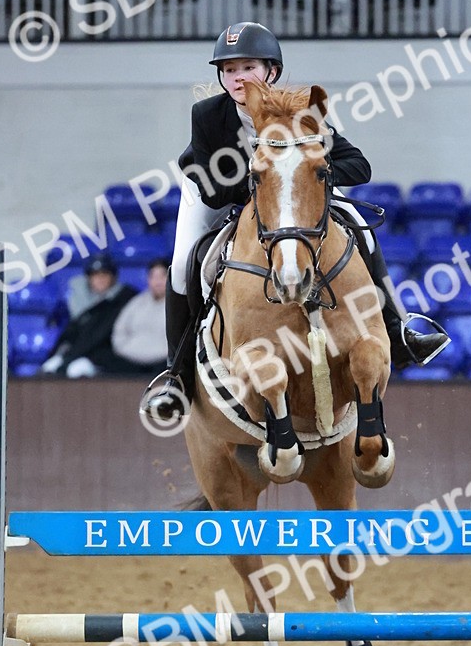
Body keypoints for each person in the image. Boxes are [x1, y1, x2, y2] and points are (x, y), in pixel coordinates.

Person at [142, 21, 448, 419]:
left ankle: (397, 329)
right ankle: (176, 374)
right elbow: (217, 191)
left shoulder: (299, 110)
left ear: (271, 70)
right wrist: (268, 182)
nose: (237, 78)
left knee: (360, 229)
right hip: (211, 193)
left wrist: (304, 174)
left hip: (294, 192)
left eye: (247, 67)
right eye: (229, 70)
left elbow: (360, 166)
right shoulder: (208, 115)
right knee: (183, 262)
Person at [42, 252, 137, 378]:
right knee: (48, 367)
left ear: (113, 277)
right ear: (89, 278)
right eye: (95, 275)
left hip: (103, 357)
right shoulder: (78, 301)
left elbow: (102, 336)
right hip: (76, 353)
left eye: (104, 274)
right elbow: (70, 334)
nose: (100, 279)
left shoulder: (122, 300)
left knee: (76, 370)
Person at [111, 258, 169, 374]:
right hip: (130, 360)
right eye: (153, 276)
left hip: (164, 363)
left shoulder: (180, 306)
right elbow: (119, 333)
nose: (158, 281)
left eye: (162, 276)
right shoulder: (136, 303)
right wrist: (125, 350)